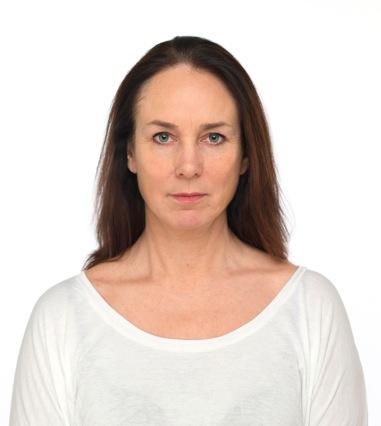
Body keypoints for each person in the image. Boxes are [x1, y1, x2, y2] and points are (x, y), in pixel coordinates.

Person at [9, 35, 368, 425]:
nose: (188, 166)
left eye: (214, 137)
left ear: (246, 154)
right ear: (129, 152)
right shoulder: (63, 320)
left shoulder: (309, 309)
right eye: (163, 137)